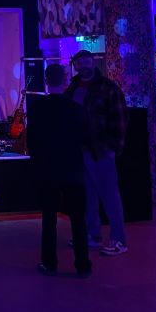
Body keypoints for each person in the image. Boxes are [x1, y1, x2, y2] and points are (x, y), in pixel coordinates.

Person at [27, 64, 91, 279]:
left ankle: (49, 262)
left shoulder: (37, 108)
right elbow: (85, 137)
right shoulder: (75, 108)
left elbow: (32, 142)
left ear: (46, 80)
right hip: (72, 168)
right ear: (64, 80)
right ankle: (83, 264)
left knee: (49, 219)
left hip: (47, 170)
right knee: (78, 219)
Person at [66, 50, 129, 257]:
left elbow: (119, 119)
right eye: (79, 61)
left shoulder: (108, 88)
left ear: (93, 62)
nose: (83, 64)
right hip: (78, 149)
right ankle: (92, 235)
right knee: (88, 196)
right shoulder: (72, 87)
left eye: (86, 60)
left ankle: (119, 239)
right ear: (75, 65)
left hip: (101, 149)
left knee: (109, 195)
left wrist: (114, 148)